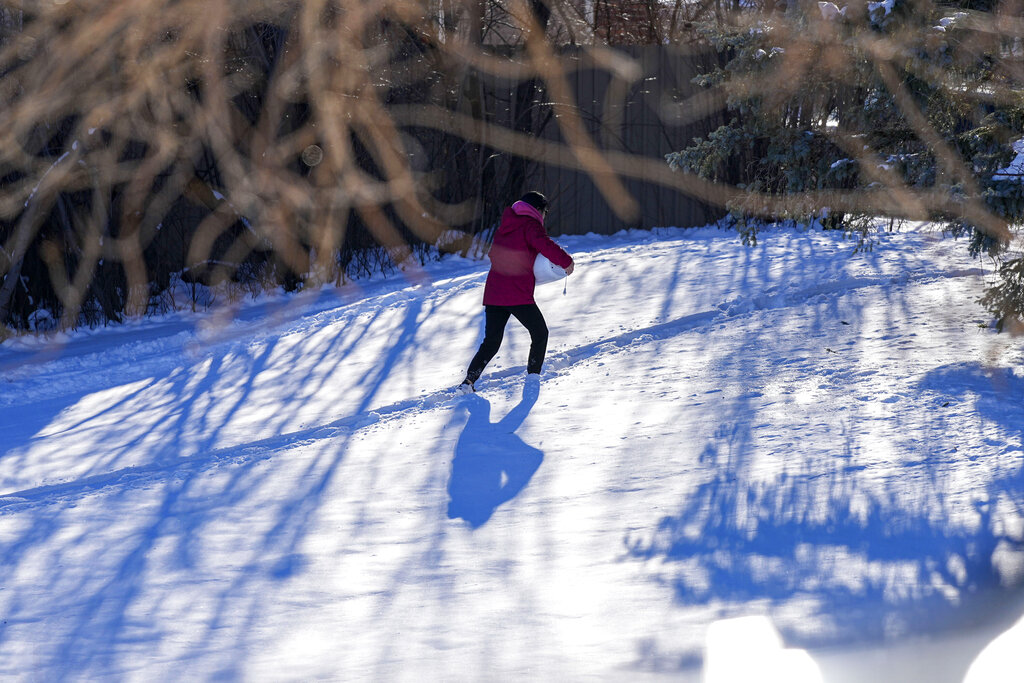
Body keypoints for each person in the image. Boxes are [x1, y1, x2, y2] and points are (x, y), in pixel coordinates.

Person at [459, 191, 574, 393]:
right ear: (539, 210)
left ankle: (468, 382)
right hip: (517, 292)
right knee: (540, 333)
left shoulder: (506, 225)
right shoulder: (530, 224)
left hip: (495, 292)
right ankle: (533, 378)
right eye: (545, 212)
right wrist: (567, 261)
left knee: (492, 341)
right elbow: (545, 245)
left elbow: (493, 253)